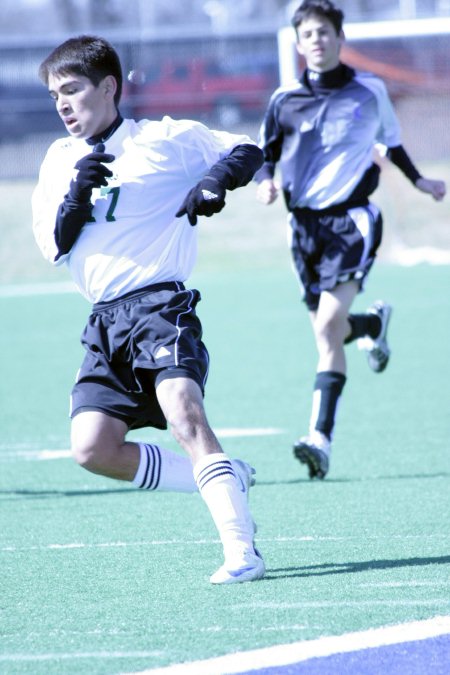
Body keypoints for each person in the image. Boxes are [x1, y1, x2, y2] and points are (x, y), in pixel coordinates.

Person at [32, 35, 266, 584]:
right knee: (92, 450)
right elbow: (54, 247)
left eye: (72, 90)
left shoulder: (163, 140)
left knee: (184, 411)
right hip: (103, 320)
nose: (63, 103)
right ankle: (224, 476)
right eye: (54, 95)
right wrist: (75, 198)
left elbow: (248, 150)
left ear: (109, 87)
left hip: (160, 305)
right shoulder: (58, 160)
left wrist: (214, 181)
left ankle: (241, 550)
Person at [255, 0, 446, 479]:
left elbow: (391, 141)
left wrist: (419, 181)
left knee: (325, 329)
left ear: (340, 39)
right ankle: (372, 326)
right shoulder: (284, 100)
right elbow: (267, 153)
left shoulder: (369, 90)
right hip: (302, 229)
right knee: (331, 326)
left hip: (353, 223)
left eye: (324, 32)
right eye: (307, 35)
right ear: (298, 45)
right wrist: (265, 181)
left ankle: (320, 437)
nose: (316, 40)